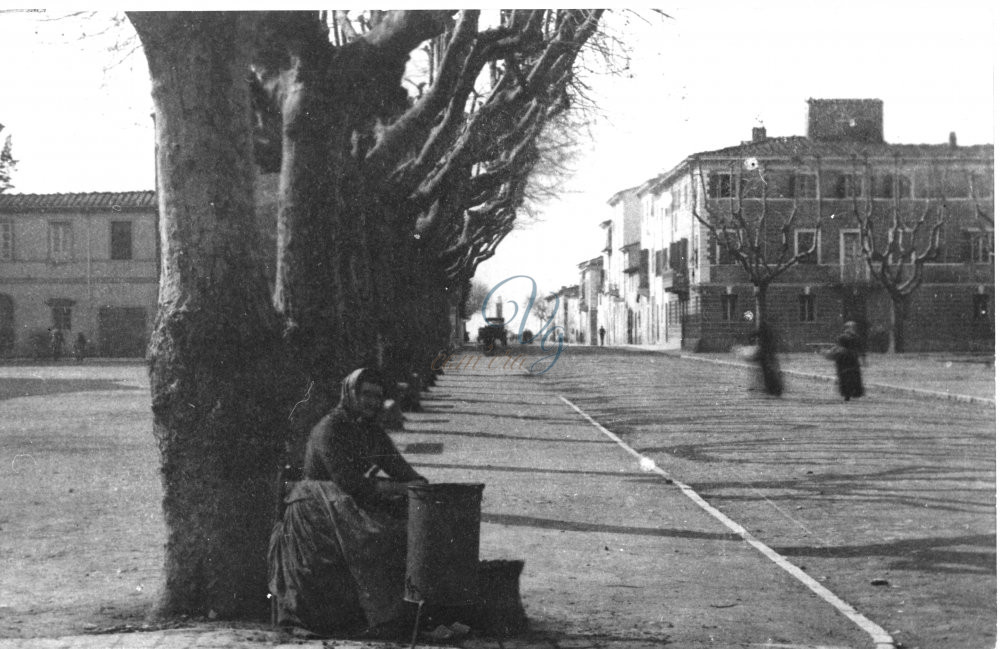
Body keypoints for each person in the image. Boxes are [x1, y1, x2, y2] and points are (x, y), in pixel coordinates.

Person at [269, 368, 428, 637]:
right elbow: (349, 482)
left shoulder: (371, 430)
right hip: (313, 509)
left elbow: (398, 466)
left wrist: (421, 485)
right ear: (350, 393)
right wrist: (402, 488)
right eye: (365, 394)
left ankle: (397, 614)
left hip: (344, 503)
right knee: (377, 535)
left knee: (406, 526)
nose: (372, 401)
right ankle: (376, 617)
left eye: (377, 396)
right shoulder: (329, 428)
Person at [826, 321, 865, 401]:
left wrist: (832, 353)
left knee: (846, 375)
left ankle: (847, 394)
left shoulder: (843, 337)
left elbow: (838, 347)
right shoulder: (855, 337)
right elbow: (861, 349)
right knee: (851, 375)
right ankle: (852, 393)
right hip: (851, 358)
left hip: (844, 358)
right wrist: (863, 359)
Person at [748, 322, 784, 396]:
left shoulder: (763, 331)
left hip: (765, 353)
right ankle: (775, 387)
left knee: (767, 371)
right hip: (770, 353)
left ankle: (771, 387)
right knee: (772, 369)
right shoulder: (770, 331)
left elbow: (752, 335)